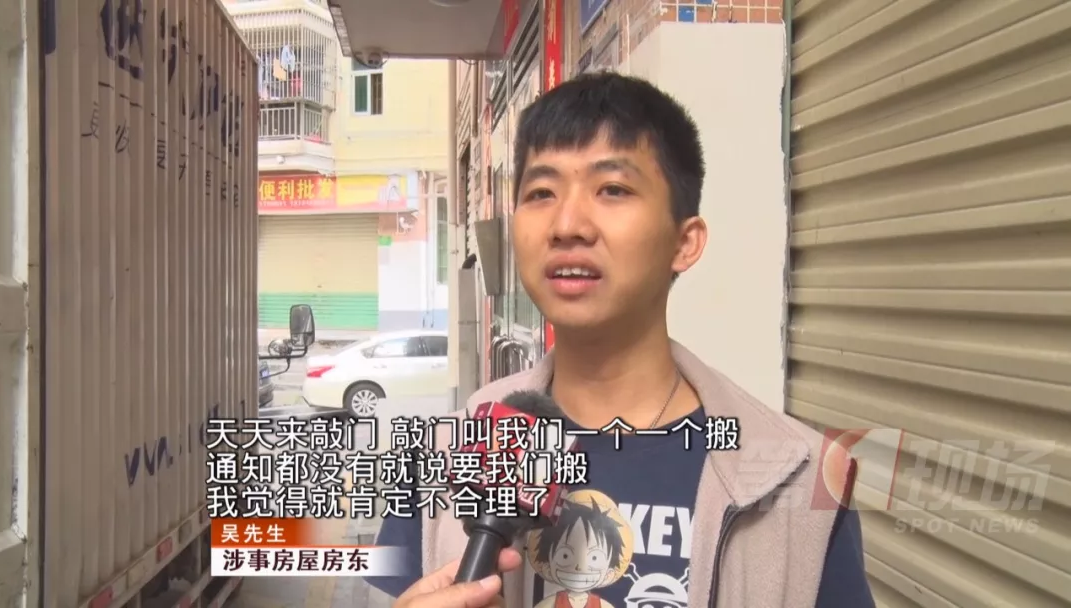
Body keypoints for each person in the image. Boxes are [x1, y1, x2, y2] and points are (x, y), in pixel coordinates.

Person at [367, 72, 875, 608]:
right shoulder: (446, 453)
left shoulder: (796, 475)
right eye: (541, 192)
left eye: (612, 189)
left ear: (685, 242)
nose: (567, 224)